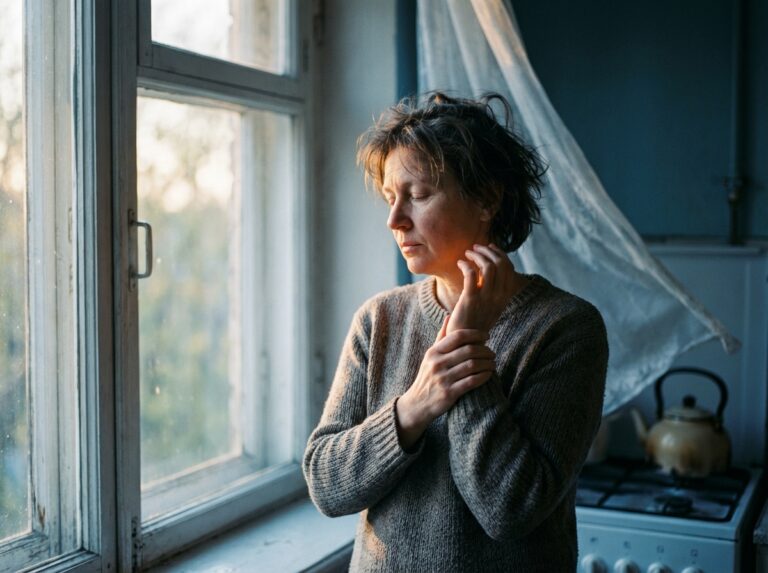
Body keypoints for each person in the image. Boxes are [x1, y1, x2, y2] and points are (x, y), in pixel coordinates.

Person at [303, 92, 608, 572]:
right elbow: (325, 483)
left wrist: (466, 342)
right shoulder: (378, 320)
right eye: (389, 198)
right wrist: (415, 406)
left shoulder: (567, 328)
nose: (395, 220)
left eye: (418, 195)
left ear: (486, 198)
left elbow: (510, 508)